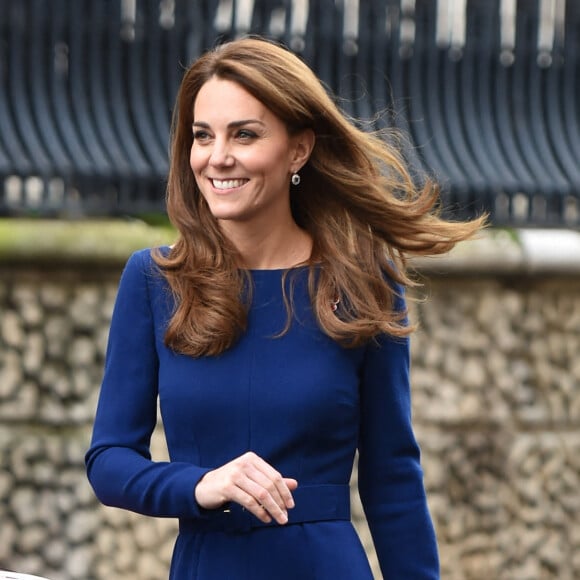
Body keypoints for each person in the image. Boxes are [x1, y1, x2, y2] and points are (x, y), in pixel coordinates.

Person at [86, 37, 485, 579]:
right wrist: (201, 485)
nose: (217, 157)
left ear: (298, 149)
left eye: (244, 135)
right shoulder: (155, 280)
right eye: (202, 136)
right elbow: (109, 461)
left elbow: (391, 473)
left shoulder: (365, 281)